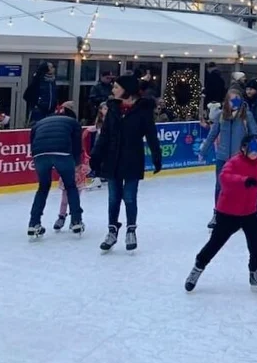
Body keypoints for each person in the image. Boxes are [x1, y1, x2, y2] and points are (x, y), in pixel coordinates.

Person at [185, 135, 257, 293]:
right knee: (215, 243)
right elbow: (225, 178)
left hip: (249, 212)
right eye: (251, 149)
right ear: (243, 148)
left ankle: (255, 271)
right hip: (227, 213)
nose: (254, 153)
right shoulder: (234, 162)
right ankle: (198, 268)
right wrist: (243, 180)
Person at [89, 75, 162, 253]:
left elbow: (151, 135)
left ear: (126, 89)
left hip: (132, 159)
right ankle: (112, 231)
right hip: (112, 159)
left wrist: (156, 156)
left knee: (129, 197)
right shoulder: (113, 108)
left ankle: (131, 231)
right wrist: (95, 156)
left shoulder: (143, 110)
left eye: (116, 87)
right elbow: (104, 135)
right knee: (113, 198)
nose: (113, 90)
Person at [199, 88, 257, 229]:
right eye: (231, 100)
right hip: (222, 157)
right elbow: (212, 135)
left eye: (236, 99)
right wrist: (203, 151)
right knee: (220, 186)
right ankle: (218, 214)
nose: (234, 103)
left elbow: (255, 134)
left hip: (239, 159)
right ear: (227, 101)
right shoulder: (220, 116)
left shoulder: (246, 116)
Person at [27, 104, 85, 238]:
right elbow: (77, 145)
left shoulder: (40, 123)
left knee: (43, 188)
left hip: (40, 154)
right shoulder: (73, 123)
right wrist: (77, 163)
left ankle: (33, 223)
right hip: (62, 153)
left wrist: (36, 155)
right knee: (71, 186)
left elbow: (33, 140)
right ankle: (76, 221)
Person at [23, 61, 58, 126]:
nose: (54, 68)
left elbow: (54, 93)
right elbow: (27, 94)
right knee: (38, 126)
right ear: (46, 69)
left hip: (51, 110)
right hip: (39, 110)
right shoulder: (38, 80)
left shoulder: (52, 80)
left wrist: (55, 104)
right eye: (51, 67)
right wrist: (36, 104)